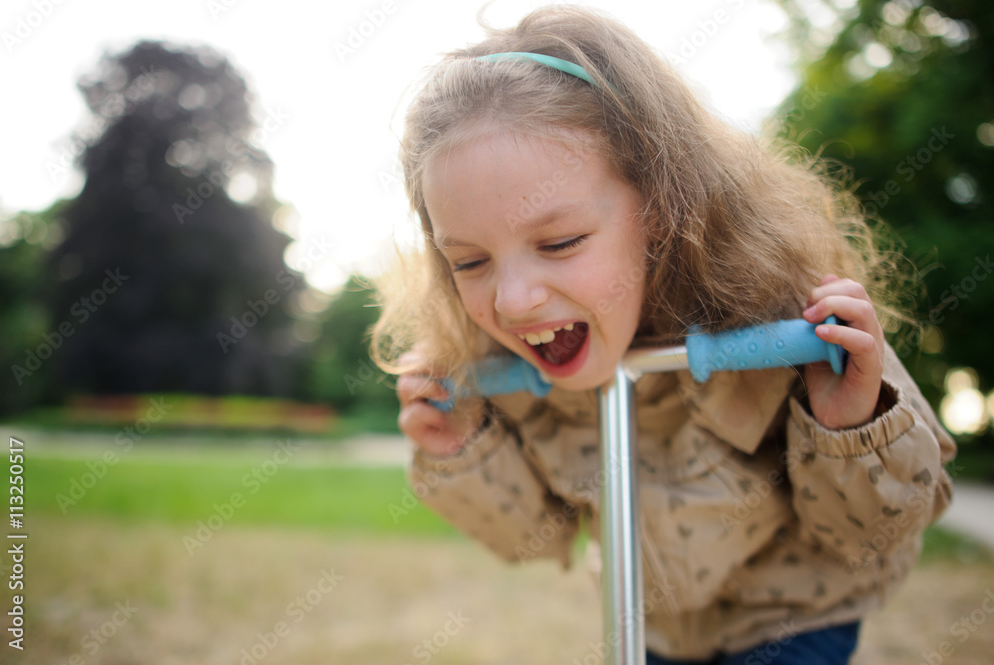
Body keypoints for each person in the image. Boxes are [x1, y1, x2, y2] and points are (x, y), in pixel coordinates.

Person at [370, 6, 956, 664]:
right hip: (649, 618)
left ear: (660, 206)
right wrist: (463, 452)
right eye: (470, 262)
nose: (512, 299)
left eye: (559, 242)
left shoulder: (788, 316)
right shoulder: (502, 364)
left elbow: (879, 530)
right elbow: (533, 534)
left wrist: (852, 425)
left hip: (794, 614)